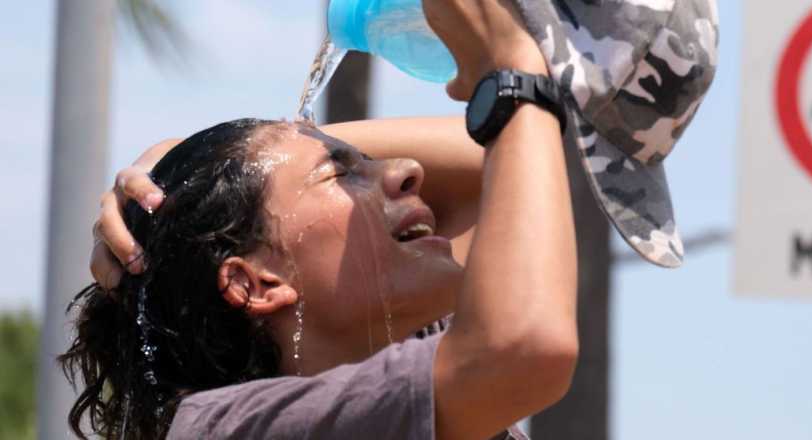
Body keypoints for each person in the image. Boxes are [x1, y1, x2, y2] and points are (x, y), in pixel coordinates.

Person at [75, 0, 719, 437]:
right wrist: (513, 73)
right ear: (255, 281)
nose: (406, 169)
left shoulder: (391, 347)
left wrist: (220, 157)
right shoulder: (229, 427)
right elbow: (525, 347)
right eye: (343, 173)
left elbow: (522, 155)